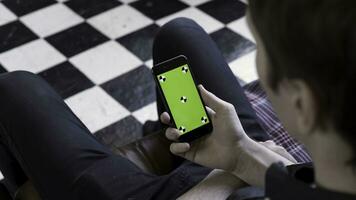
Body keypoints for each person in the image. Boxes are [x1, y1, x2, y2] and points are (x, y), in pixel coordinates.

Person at [0, 1, 355, 200]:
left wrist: (227, 176)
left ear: (303, 105)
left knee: (15, 89)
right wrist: (243, 155)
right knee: (180, 34)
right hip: (235, 168)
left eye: (262, 50)